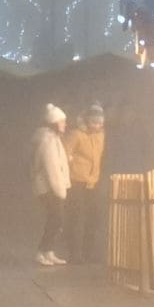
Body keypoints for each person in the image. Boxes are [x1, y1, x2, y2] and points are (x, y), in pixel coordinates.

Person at [64, 104, 107, 264]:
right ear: (87, 121)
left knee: (93, 217)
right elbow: (65, 152)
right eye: (93, 122)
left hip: (93, 181)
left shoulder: (101, 135)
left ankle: (88, 252)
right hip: (77, 180)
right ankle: (74, 253)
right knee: (76, 217)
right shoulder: (76, 134)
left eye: (99, 122)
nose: (96, 125)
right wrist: (71, 163)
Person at [32, 103, 71, 266]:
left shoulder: (52, 138)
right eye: (62, 122)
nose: (65, 125)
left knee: (55, 219)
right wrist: (60, 190)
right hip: (49, 188)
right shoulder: (48, 140)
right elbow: (52, 167)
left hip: (50, 187)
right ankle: (42, 251)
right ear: (54, 123)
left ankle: (48, 251)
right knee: (56, 219)